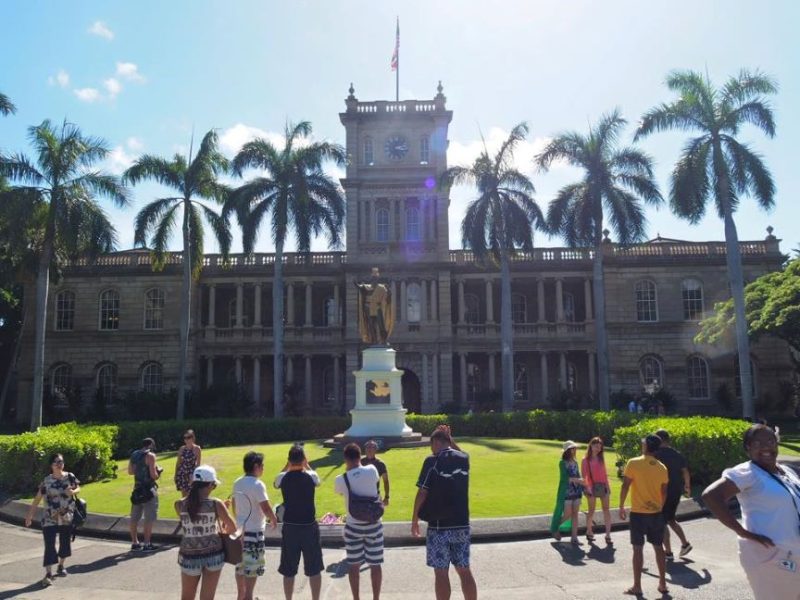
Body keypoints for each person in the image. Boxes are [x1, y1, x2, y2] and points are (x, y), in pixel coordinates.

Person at [702, 424, 800, 599]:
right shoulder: (747, 472)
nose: (766, 447)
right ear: (748, 448)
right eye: (757, 443)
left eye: (771, 441)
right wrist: (743, 532)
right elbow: (711, 496)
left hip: (793, 553)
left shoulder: (785, 471)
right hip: (771, 557)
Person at [411, 428, 477, 600]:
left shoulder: (432, 461)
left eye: (431, 446)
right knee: (464, 570)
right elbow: (460, 452)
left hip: (439, 526)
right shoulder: (464, 459)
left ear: (435, 442)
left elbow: (422, 493)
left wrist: (414, 519)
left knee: (441, 572)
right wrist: (450, 438)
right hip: (461, 524)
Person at [176, 465, 236, 600]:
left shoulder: (179, 504)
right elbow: (232, 528)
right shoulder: (216, 504)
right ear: (210, 485)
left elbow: (191, 525)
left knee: (186, 597)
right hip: (213, 555)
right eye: (214, 485)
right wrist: (221, 515)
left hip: (189, 556)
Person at [619, 434, 669, 596]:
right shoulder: (662, 467)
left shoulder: (633, 463)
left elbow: (625, 486)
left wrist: (620, 506)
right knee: (658, 547)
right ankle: (662, 583)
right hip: (656, 513)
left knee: (637, 549)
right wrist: (658, 507)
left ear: (646, 446)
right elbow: (664, 492)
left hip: (638, 514)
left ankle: (637, 586)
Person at [274, 444, 324, 600]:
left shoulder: (282, 477)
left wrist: (288, 465)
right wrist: (306, 464)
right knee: (314, 568)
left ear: (289, 460)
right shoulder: (312, 476)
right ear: (303, 459)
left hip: (290, 527)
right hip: (309, 526)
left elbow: (276, 483)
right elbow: (317, 481)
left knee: (289, 569)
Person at [335, 443, 384, 600]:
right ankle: (376, 597)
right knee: (375, 564)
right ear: (359, 455)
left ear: (345, 459)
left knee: (354, 565)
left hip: (353, 526)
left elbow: (341, 493)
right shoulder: (372, 470)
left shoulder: (341, 479)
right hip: (374, 524)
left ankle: (356, 598)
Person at [24, 453, 80, 587]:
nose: (59, 464)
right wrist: (29, 515)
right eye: (56, 462)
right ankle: (48, 574)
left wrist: (73, 492)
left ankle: (61, 566)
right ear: (51, 465)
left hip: (66, 517)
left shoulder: (70, 476)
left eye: (61, 461)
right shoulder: (46, 481)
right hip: (49, 518)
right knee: (49, 545)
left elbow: (78, 487)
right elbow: (38, 498)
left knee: (65, 543)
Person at [232, 451, 278, 600]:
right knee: (252, 567)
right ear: (256, 466)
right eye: (262, 465)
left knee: (240, 566)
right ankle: (248, 596)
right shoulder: (258, 484)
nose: (263, 468)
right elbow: (265, 507)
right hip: (254, 532)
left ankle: (241, 595)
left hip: (240, 532)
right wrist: (273, 519)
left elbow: (234, 504)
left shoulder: (237, 482)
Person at [654, 429, 692, 560]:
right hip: (676, 491)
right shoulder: (677, 454)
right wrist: (687, 487)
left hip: (662, 491)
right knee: (670, 519)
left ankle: (668, 552)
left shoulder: (656, 454)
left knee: (662, 521)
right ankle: (685, 544)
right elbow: (685, 471)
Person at [128, 437, 162, 551]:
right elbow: (153, 475)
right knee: (149, 517)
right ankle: (147, 543)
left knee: (134, 517)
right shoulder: (151, 456)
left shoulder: (134, 454)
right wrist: (158, 472)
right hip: (148, 489)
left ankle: (135, 542)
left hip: (137, 488)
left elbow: (130, 471)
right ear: (151, 445)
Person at [550, 440, 585, 544]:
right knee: (568, 514)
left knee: (575, 514)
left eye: (575, 448)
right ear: (568, 450)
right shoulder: (562, 463)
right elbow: (565, 478)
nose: (575, 450)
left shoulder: (575, 462)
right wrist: (578, 480)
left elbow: (578, 475)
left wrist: (583, 483)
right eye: (573, 448)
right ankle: (555, 528)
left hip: (577, 491)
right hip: (566, 491)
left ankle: (574, 537)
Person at [582, 436, 612, 545]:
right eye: (596, 446)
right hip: (591, 488)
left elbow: (605, 474)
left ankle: (608, 534)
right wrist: (588, 489)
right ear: (591, 445)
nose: (598, 448)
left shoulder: (601, 458)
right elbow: (584, 476)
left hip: (603, 486)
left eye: (600, 447)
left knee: (606, 510)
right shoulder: (585, 460)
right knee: (591, 510)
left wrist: (608, 487)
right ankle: (589, 531)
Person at [361, 440, 390, 507]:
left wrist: (387, 497)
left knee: (376, 516)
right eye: (367, 447)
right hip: (361, 496)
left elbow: (385, 481)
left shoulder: (380, 464)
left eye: (372, 447)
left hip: (375, 495)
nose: (369, 449)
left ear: (376, 449)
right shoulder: (360, 462)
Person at [175, 430, 202, 496]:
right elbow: (178, 463)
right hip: (182, 473)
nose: (186, 439)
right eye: (185, 438)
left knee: (192, 495)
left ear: (193, 438)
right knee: (184, 496)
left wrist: (193, 475)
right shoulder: (181, 449)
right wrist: (175, 475)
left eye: (188, 437)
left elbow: (198, 464)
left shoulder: (197, 449)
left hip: (191, 474)